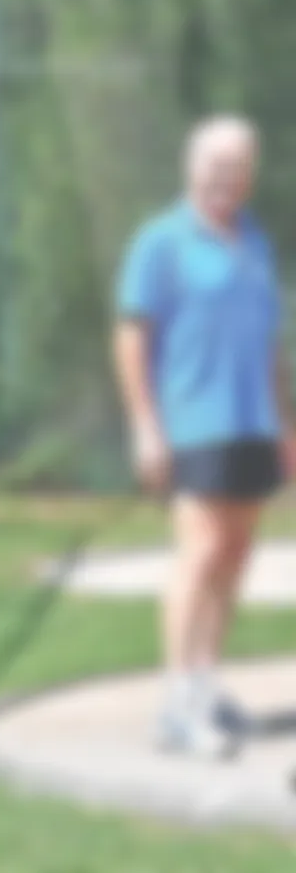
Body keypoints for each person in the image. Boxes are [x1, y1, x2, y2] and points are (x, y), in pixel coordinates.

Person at [113, 114, 296, 759]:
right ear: (195, 170)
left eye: (239, 168)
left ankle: (203, 680)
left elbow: (268, 342)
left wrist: (286, 425)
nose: (228, 179)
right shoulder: (163, 242)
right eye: (217, 167)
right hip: (192, 420)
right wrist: (145, 426)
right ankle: (179, 702)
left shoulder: (253, 241)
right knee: (200, 552)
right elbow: (134, 336)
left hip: (254, 424)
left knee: (236, 554)